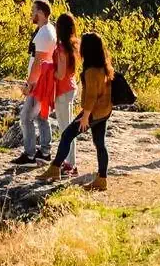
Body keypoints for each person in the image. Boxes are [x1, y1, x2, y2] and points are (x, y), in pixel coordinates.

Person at [42, 31, 112, 191]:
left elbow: (91, 96)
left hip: (93, 112)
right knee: (100, 144)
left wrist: (85, 117)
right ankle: (102, 179)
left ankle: (55, 169)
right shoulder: (104, 66)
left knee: (67, 135)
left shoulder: (91, 71)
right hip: (104, 111)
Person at [13, 0, 57, 165]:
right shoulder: (48, 30)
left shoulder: (44, 33)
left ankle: (30, 154)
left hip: (38, 83)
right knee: (41, 117)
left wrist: (29, 84)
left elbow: (39, 61)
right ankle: (45, 152)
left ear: (40, 13)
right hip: (43, 81)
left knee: (25, 117)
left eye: (33, 11)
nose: (31, 14)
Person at [50, 13, 80, 175]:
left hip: (63, 90)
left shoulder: (61, 48)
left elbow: (60, 74)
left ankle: (70, 164)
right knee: (68, 128)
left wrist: (47, 72)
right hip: (71, 87)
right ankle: (70, 162)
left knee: (65, 129)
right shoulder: (72, 45)